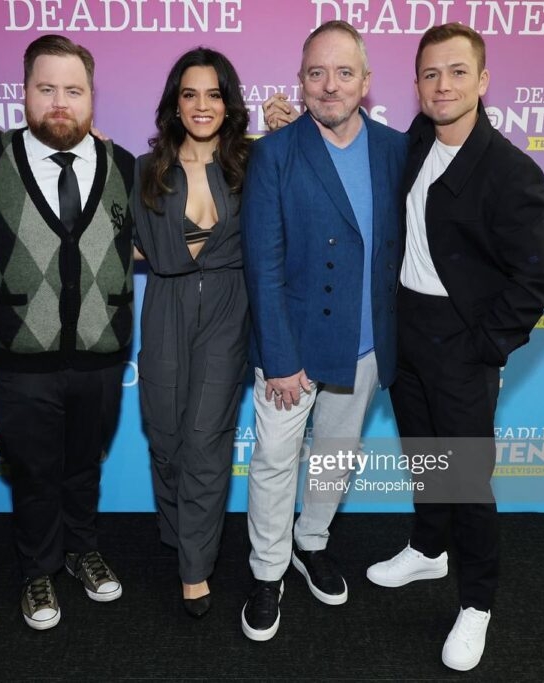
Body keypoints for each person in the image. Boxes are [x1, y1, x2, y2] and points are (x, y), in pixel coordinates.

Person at [364, 23, 544, 671]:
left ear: (483, 81)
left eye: (455, 72)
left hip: (462, 343)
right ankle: (427, 547)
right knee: (424, 452)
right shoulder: (416, 141)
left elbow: (538, 277)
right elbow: (358, 148)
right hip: (407, 328)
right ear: (416, 84)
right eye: (429, 73)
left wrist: (483, 347)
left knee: (468, 478)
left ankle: (476, 602)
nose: (441, 85)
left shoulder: (509, 170)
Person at [240, 20, 407, 641]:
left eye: (343, 73)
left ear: (366, 82)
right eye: (316, 73)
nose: (329, 85)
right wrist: (280, 358)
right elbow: (263, 262)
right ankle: (266, 571)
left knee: (336, 457)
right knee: (275, 463)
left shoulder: (396, 149)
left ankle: (311, 543)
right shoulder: (274, 153)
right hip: (293, 350)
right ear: (300, 82)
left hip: (365, 346)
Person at [0, 35, 134, 631]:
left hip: (102, 352)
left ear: (92, 97)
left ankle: (82, 550)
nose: (59, 102)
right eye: (46, 89)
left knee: (84, 461)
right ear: (24, 93)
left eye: (73, 90)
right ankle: (37, 570)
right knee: (33, 469)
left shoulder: (125, 166)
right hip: (22, 356)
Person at [131, 48, 251, 619]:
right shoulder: (143, 169)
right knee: (166, 434)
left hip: (229, 307)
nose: (202, 105)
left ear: (227, 103)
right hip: (165, 304)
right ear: (175, 104)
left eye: (213, 94)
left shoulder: (252, 163)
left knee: (207, 437)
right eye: (189, 94)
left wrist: (286, 123)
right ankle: (180, 533)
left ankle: (195, 568)